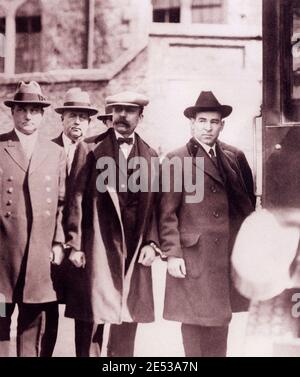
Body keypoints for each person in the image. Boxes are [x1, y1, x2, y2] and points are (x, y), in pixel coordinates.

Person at [158, 91, 255, 357]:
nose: (208, 127)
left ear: (222, 124)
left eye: (214, 122)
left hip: (224, 255)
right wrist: (172, 254)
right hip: (193, 256)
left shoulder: (234, 157)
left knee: (220, 321)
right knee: (192, 321)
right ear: (192, 123)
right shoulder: (177, 159)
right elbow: (166, 212)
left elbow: (246, 205)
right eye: (202, 121)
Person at [64, 91, 160, 357]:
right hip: (98, 244)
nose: (122, 116)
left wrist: (152, 243)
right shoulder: (90, 148)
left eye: (129, 111)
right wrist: (74, 244)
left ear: (140, 117)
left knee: (128, 316)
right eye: (117, 110)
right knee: (91, 317)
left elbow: (155, 205)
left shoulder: (150, 155)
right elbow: (76, 198)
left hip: (134, 246)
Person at [0, 81, 66, 357]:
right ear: (13, 113)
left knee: (32, 334)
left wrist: (59, 243)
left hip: (38, 258)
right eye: (23, 110)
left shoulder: (55, 152)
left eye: (35, 111)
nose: (28, 116)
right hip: (2, 259)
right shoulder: (1, 146)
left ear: (42, 115)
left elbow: (62, 204)